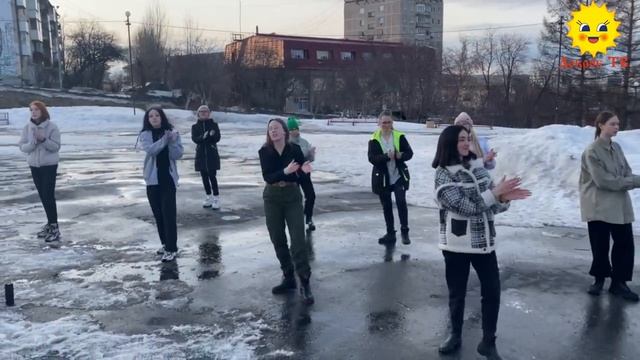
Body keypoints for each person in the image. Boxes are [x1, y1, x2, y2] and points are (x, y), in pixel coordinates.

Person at [433, 125, 530, 360]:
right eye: (460, 140)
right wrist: (495, 194)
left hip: (484, 242)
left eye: (467, 139)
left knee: (493, 291)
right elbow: (465, 207)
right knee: (457, 293)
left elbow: (491, 205)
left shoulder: (478, 169)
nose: (466, 143)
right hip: (456, 244)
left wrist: (503, 198)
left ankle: (488, 341)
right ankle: (455, 335)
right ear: (449, 144)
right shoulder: (443, 173)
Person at [580, 111, 640, 302]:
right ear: (601, 125)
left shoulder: (617, 148)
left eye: (618, 124)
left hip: (619, 205)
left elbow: (627, 172)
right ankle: (599, 280)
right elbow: (603, 180)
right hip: (599, 205)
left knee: (625, 245)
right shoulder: (592, 151)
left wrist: (628, 180)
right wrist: (631, 181)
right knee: (600, 245)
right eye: (613, 124)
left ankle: (619, 283)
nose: (617, 127)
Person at [258, 118, 314, 305]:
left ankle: (304, 281)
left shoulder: (294, 150)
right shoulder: (265, 151)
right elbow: (268, 176)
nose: (273, 131)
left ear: (284, 131)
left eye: (276, 128)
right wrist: (286, 171)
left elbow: (299, 175)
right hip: (272, 196)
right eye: (270, 128)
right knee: (277, 238)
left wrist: (303, 175)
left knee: (298, 239)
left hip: (292, 196)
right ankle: (288, 276)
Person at [138, 107, 184, 262]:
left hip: (168, 179)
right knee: (158, 215)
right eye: (151, 116)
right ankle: (165, 244)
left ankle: (172, 248)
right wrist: (165, 139)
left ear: (162, 117)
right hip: (152, 180)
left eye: (157, 115)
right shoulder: (145, 134)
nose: (154, 118)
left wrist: (172, 141)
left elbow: (177, 154)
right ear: (147, 119)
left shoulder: (172, 133)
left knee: (168, 214)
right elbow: (151, 150)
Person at [367, 110, 413, 245]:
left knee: (400, 201)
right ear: (379, 123)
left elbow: (410, 153)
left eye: (389, 122)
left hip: (398, 175)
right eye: (384, 123)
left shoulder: (399, 136)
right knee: (386, 205)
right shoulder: (374, 138)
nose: (386, 125)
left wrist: (400, 156)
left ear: (392, 123)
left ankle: (405, 231)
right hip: (382, 177)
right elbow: (371, 158)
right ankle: (390, 233)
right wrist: (386, 157)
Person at [18, 101, 62, 242]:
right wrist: (32, 144)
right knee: (43, 195)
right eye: (31, 110)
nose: (34, 112)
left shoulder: (51, 127)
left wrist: (43, 140)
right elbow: (22, 146)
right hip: (34, 166)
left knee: (48, 195)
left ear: (43, 111)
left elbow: (55, 147)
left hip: (49, 165)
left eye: (36, 109)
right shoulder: (27, 128)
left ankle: (54, 226)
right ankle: (49, 224)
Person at [288, 116, 317, 231]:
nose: (295, 131)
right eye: (292, 129)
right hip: (293, 174)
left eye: (296, 128)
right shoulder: (287, 144)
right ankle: (296, 220)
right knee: (296, 198)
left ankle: (308, 217)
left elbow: (309, 158)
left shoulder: (304, 142)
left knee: (311, 195)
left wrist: (311, 155)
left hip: (305, 173)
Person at [191, 105, 221, 210]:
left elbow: (217, 138)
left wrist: (211, 136)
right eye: (201, 112)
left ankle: (216, 197)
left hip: (211, 154)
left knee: (212, 176)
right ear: (198, 114)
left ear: (209, 113)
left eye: (206, 111)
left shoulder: (214, 125)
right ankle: (208, 196)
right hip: (200, 155)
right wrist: (204, 136)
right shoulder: (195, 127)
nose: (203, 113)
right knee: (204, 176)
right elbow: (195, 139)